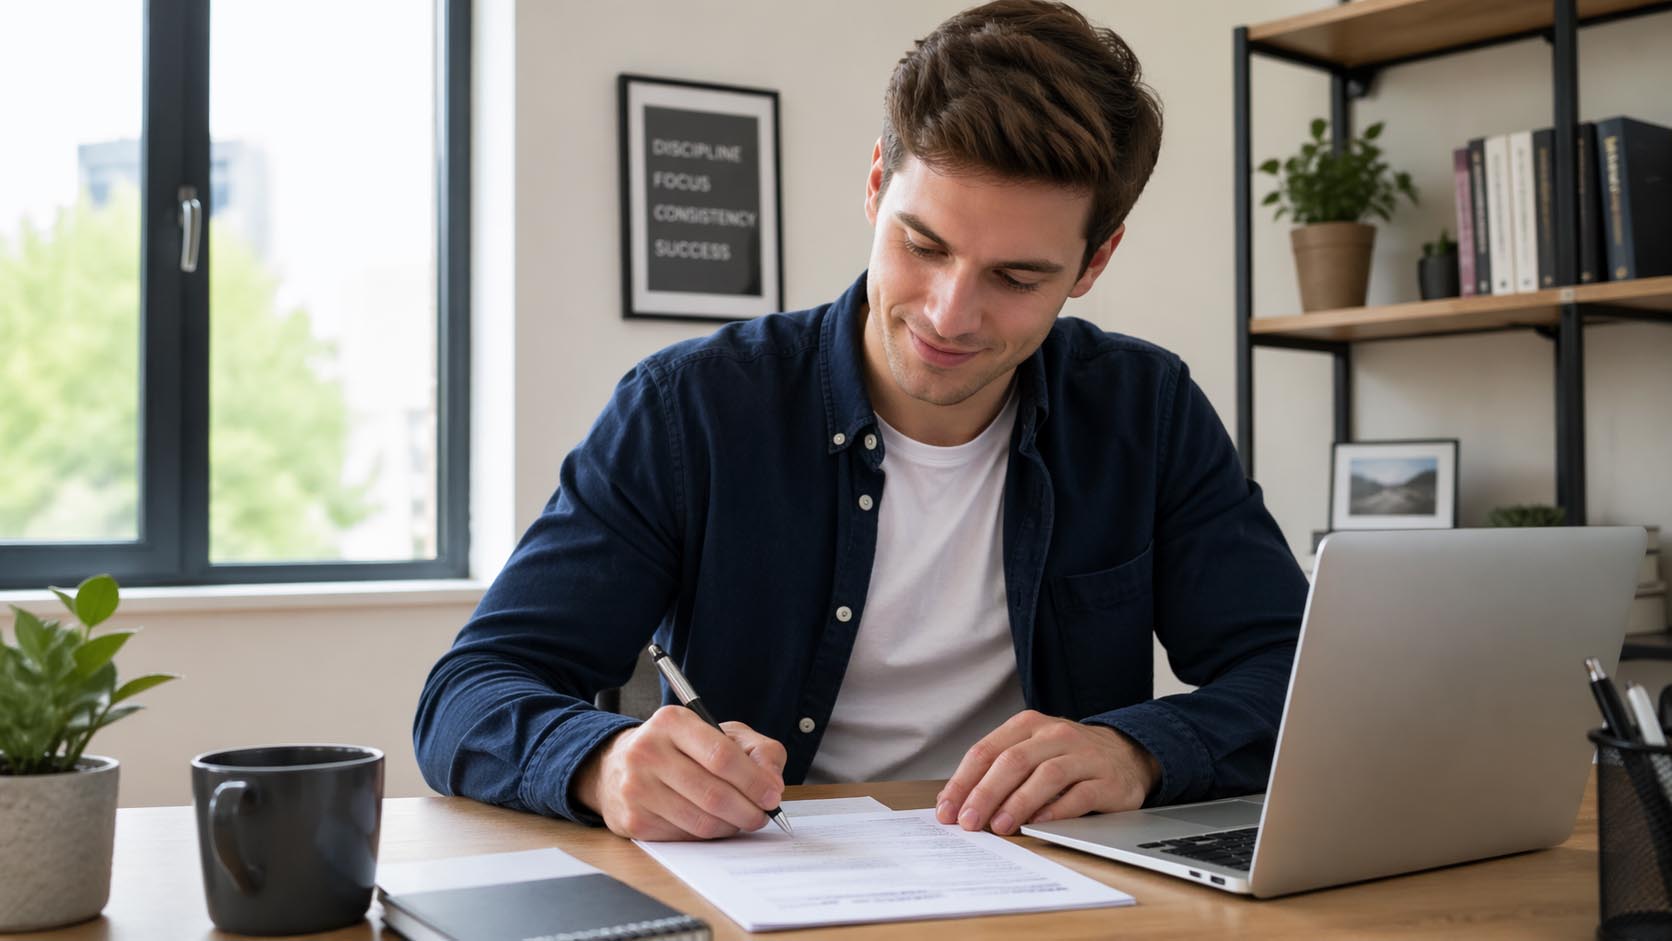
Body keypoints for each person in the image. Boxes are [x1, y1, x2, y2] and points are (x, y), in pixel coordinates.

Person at [414, 0, 1307, 843]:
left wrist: (1140, 750)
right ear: (878, 185)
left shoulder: (1145, 412)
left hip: (1062, 890)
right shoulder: (691, 409)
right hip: (771, 891)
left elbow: (1298, 682)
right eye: (924, 246)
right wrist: (601, 761)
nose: (950, 314)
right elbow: (467, 694)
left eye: (1017, 277)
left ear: (1093, 261)